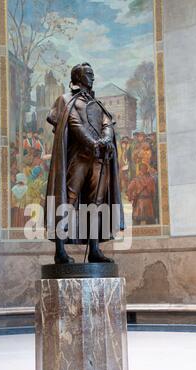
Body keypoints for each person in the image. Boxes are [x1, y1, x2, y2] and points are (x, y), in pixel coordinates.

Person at [46, 62, 124, 264]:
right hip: (78, 158)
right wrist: (93, 143)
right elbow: (74, 124)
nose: (92, 77)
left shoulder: (97, 103)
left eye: (92, 73)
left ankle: (94, 249)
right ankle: (60, 250)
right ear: (78, 77)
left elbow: (107, 123)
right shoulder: (65, 100)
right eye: (89, 74)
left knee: (96, 204)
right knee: (67, 201)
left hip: (99, 159)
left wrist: (106, 139)